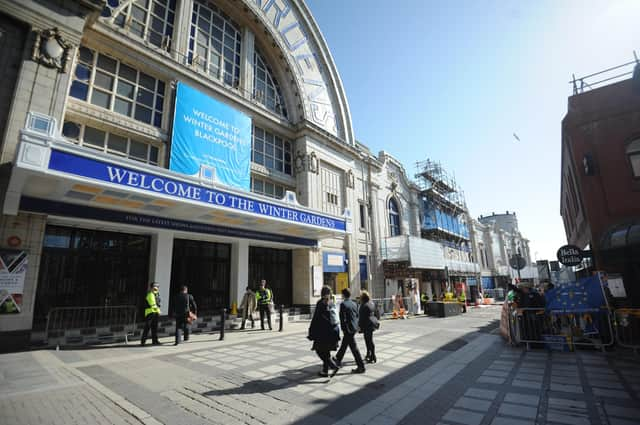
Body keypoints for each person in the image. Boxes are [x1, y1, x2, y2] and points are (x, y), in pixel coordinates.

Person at [308, 286, 341, 377]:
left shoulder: (321, 303)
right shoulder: (331, 302)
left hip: (323, 332)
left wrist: (311, 331)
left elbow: (316, 319)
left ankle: (333, 366)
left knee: (319, 350)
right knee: (326, 351)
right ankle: (325, 371)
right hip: (333, 331)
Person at [333, 288, 366, 373]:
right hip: (353, 328)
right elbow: (357, 315)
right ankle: (338, 359)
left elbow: (342, 318)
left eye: (342, 294)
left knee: (354, 348)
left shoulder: (343, 304)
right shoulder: (354, 303)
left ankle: (361, 366)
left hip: (348, 329)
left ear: (343, 295)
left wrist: (344, 329)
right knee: (345, 345)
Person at [359, 290, 379, 363]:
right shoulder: (371, 303)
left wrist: (359, 326)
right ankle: (369, 354)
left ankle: (372, 355)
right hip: (372, 324)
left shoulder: (363, 305)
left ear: (362, 298)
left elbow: (361, 317)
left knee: (368, 340)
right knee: (369, 340)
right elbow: (377, 313)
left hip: (366, 325)